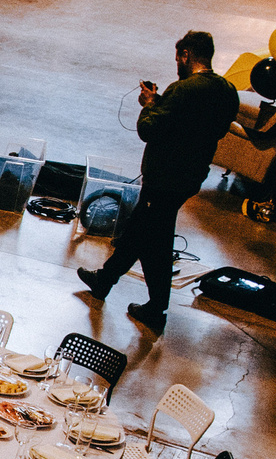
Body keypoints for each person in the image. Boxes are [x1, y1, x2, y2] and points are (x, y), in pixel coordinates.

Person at [78, 29, 238, 333]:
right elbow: (201, 124)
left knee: (154, 243)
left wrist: (150, 104)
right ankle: (105, 281)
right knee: (142, 231)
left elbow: (150, 130)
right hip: (190, 177)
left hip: (164, 177)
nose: (177, 64)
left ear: (186, 55)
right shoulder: (227, 91)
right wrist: (164, 103)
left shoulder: (183, 90)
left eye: (178, 57)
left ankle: (154, 307)